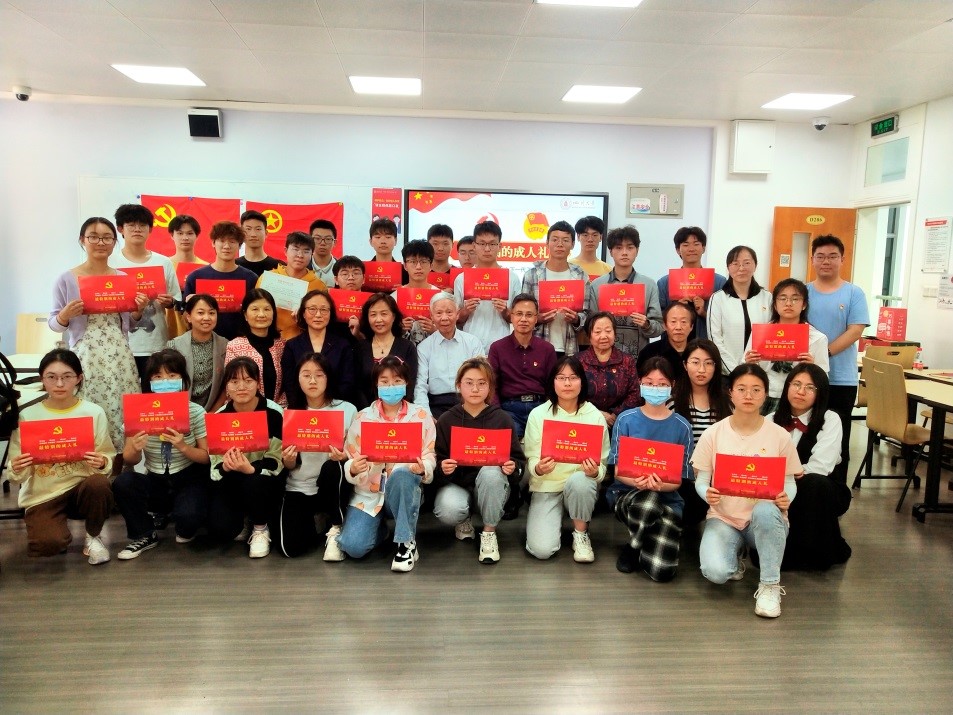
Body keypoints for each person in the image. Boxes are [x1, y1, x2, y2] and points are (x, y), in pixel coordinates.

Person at [692, 364, 802, 618]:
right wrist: (706, 492)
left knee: (765, 510)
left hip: (764, 521)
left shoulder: (779, 435)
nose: (748, 395)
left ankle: (770, 586)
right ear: (730, 392)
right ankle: (736, 556)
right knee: (715, 572)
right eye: (741, 389)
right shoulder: (713, 434)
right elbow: (702, 480)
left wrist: (787, 497)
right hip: (724, 517)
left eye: (756, 389)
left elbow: (790, 482)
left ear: (766, 394)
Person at [7, 349, 116, 565]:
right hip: (43, 494)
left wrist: (102, 462)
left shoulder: (94, 412)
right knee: (49, 545)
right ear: (42, 379)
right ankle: (56, 529)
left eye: (67, 376)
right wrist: (17, 466)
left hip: (80, 488)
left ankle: (93, 536)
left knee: (99, 484)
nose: (59, 384)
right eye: (51, 377)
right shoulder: (28, 416)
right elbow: (16, 473)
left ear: (79, 378)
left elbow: (107, 455)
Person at [50, 217, 147, 452]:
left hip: (119, 355)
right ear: (82, 240)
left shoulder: (123, 278)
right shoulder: (67, 278)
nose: (100, 243)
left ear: (114, 242)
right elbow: (54, 324)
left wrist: (138, 311)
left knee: (121, 408)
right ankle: (91, 461)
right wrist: (64, 315)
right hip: (86, 354)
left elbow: (130, 324)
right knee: (89, 406)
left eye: (106, 238)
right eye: (93, 237)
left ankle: (123, 463)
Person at [338, 356, 437, 572]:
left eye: (397, 381)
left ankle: (406, 542)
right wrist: (353, 468)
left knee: (402, 476)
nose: (391, 386)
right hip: (368, 495)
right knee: (353, 547)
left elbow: (429, 454)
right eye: (384, 381)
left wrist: (423, 468)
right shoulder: (363, 417)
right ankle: (381, 530)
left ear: (406, 382)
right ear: (376, 384)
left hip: (403, 493)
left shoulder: (421, 416)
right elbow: (351, 455)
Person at [113, 349, 211, 559]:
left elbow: (206, 457)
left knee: (187, 525)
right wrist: (135, 448)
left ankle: (179, 515)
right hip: (155, 478)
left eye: (172, 375)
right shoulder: (138, 411)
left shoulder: (195, 411)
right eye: (158, 376)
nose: (165, 381)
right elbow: (130, 459)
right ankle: (144, 534)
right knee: (123, 482)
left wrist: (183, 446)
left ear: (183, 380)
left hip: (188, 478)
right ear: (149, 382)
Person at [607, 356, 694, 581]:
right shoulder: (625, 419)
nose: (655, 388)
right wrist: (637, 482)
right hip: (629, 495)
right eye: (649, 383)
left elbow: (678, 480)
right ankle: (635, 545)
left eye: (662, 384)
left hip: (667, 499)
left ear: (672, 385)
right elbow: (617, 471)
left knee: (662, 572)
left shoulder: (683, 426)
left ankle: (643, 539)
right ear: (640, 383)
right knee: (648, 501)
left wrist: (660, 486)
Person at [434, 357, 525, 563]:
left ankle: (489, 532)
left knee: (491, 472)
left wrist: (513, 467)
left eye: (482, 383)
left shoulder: (502, 418)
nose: (475, 389)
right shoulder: (447, 419)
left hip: (492, 486)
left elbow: (518, 461)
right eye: (469, 383)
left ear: (490, 387)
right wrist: (442, 468)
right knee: (448, 509)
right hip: (459, 486)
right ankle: (463, 518)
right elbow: (437, 461)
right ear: (459, 385)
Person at [523, 357, 610, 562]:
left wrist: (595, 472)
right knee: (541, 550)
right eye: (561, 378)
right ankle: (553, 517)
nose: (567, 383)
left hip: (580, 486)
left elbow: (603, 465)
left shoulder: (595, 416)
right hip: (547, 486)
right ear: (553, 382)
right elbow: (531, 457)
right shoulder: (538, 414)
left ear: (582, 382)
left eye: (573, 377)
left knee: (581, 481)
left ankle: (580, 533)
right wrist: (539, 468)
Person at [772, 364, 852, 571]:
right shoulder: (770, 420)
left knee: (813, 482)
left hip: (822, 489)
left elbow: (820, 466)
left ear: (820, 393)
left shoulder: (830, 419)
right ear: (787, 386)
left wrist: (784, 476)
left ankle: (814, 552)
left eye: (810, 387)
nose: (801, 391)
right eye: (796, 384)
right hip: (778, 487)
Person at [278, 352, 358, 559]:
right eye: (306, 375)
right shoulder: (289, 413)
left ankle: (336, 525)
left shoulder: (347, 409)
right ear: (297, 379)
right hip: (300, 486)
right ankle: (318, 520)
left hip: (333, 486)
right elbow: (288, 465)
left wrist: (343, 456)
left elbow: (356, 456)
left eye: (319, 375)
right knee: (290, 549)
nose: (312, 381)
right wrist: (288, 460)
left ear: (328, 377)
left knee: (333, 467)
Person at [807, 234, 869, 485]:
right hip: (808, 379)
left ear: (842, 259)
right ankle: (810, 491)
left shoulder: (854, 293)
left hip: (841, 379)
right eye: (820, 256)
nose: (826, 261)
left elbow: (855, 331)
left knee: (839, 441)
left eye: (832, 256)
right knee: (809, 437)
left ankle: (837, 496)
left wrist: (824, 353)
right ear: (812, 259)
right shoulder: (803, 292)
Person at [208, 357, 285, 558]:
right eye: (234, 381)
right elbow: (215, 466)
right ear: (226, 387)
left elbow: (277, 460)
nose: (241, 387)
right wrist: (226, 467)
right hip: (232, 479)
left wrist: (252, 469)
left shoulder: (274, 413)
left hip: (264, 480)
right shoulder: (219, 417)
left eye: (248, 380)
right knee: (221, 530)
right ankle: (244, 518)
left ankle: (260, 528)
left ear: (258, 383)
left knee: (255, 482)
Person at [112, 203, 181, 391]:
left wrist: (170, 302)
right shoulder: (111, 262)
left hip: (156, 343)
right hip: (122, 344)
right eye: (131, 225)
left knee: (157, 395)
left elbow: (176, 300)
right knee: (127, 396)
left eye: (142, 225)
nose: (137, 229)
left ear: (150, 230)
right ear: (120, 229)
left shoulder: (163, 262)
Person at [743, 278, 829, 415]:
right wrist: (749, 363)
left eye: (795, 299)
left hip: (797, 400)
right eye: (782, 298)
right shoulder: (760, 334)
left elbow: (824, 378)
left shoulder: (817, 338)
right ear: (775, 305)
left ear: (804, 305)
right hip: (764, 395)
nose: (788, 303)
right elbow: (744, 367)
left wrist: (813, 368)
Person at [672, 339, 732, 527]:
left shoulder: (728, 404)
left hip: (718, 479)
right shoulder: (672, 403)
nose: (701, 369)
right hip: (682, 480)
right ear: (685, 365)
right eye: (695, 362)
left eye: (708, 363)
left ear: (716, 367)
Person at [587, 225, 663, 361]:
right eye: (618, 248)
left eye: (630, 247)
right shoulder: (597, 285)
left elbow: (659, 327)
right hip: (603, 358)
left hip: (639, 359)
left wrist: (646, 324)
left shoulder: (649, 285)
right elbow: (589, 325)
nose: (624, 253)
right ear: (610, 252)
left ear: (637, 251)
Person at [487, 294, 557, 440]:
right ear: (511, 316)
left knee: (545, 445)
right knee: (509, 447)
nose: (523, 319)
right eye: (519, 314)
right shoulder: (497, 348)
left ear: (536, 319)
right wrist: (497, 413)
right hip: (509, 408)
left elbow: (552, 386)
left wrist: (550, 411)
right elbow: (492, 385)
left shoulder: (547, 349)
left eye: (529, 315)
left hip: (540, 407)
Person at [520, 220, 592, 357]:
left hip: (569, 346)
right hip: (537, 345)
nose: (560, 244)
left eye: (565, 240)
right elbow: (522, 312)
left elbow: (586, 313)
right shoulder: (532, 275)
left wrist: (576, 319)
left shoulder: (581, 275)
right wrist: (537, 318)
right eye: (555, 239)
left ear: (572, 244)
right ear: (547, 243)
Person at [281, 289, 359, 409]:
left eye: (324, 310)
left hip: (335, 407)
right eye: (312, 309)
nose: (318, 315)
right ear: (303, 313)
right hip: (301, 408)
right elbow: (290, 384)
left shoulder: (343, 345)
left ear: (330, 313)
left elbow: (347, 382)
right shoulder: (292, 345)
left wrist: (326, 405)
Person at [183, 221, 259, 341]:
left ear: (239, 245)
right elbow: (186, 316)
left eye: (232, 241)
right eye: (222, 241)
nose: (227, 246)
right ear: (213, 243)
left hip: (240, 342)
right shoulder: (196, 277)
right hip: (203, 341)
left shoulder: (251, 278)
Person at [454, 220, 522, 353]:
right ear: (474, 245)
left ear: (500, 246)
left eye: (492, 244)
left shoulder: (512, 278)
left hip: (502, 345)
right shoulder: (462, 278)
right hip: (469, 345)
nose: (487, 249)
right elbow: (456, 319)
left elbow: (518, 319)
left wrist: (505, 311)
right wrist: (466, 311)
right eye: (482, 243)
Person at [414, 293, 484, 418]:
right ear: (431, 316)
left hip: (469, 402)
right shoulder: (423, 348)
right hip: (436, 406)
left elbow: (482, 378)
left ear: (457, 314)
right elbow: (420, 385)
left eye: (449, 312)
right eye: (439, 313)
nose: (444, 318)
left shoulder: (473, 342)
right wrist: (426, 416)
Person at [707, 245, 772, 374]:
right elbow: (714, 339)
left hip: (759, 373)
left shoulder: (767, 297)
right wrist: (735, 371)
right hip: (727, 373)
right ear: (728, 268)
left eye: (746, 263)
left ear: (755, 265)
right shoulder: (718, 298)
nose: (741, 268)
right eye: (735, 264)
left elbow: (770, 335)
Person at [656, 226, 727, 342]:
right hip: (673, 345)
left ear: (703, 248)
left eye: (696, 244)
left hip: (706, 344)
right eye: (685, 245)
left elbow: (725, 321)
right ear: (678, 250)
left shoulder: (719, 282)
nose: (691, 249)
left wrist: (704, 312)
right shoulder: (664, 283)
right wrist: (675, 308)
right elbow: (658, 320)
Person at [256, 231, 326, 340]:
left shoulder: (319, 286)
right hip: (267, 338)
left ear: (312, 255)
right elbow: (255, 307)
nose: (300, 255)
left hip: (301, 341)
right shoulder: (267, 278)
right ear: (285, 251)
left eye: (306, 251)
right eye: (295, 249)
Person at [578, 312, 642, 430]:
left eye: (608, 331)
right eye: (597, 332)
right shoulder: (578, 361)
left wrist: (615, 415)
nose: (604, 336)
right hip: (586, 420)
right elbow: (572, 394)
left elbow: (634, 394)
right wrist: (596, 414)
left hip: (620, 422)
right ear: (589, 335)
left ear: (615, 333)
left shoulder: (627, 361)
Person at [224, 288, 287, 407]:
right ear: (245, 314)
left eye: (267, 309)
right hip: (246, 410)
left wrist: (278, 409)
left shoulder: (282, 345)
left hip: (279, 410)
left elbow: (288, 383)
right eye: (255, 309)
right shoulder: (234, 346)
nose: (261, 314)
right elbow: (230, 386)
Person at [167, 294, 228, 411]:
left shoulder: (225, 345)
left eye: (211, 313)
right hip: (181, 410)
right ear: (189, 317)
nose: (206, 318)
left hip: (213, 411)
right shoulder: (174, 346)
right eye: (200, 313)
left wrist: (212, 413)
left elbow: (226, 385)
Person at [356, 293, 418, 408]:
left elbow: (410, 383)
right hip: (366, 411)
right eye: (373, 315)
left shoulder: (407, 347)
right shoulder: (359, 348)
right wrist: (370, 411)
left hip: (400, 411)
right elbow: (357, 387)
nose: (378, 319)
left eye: (384, 314)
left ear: (393, 317)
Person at [166, 214, 208, 339]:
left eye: (190, 233)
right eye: (180, 233)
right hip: (169, 326)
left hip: (198, 329)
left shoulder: (206, 267)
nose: (185, 238)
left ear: (197, 236)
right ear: (172, 235)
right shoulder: (164, 265)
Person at [636, 302, 695, 384]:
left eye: (683, 322)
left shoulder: (697, 352)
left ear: (691, 326)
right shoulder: (649, 352)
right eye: (673, 321)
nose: (678, 327)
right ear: (664, 325)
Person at [394, 239, 439, 345]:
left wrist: (434, 329)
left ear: (431, 265)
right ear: (405, 266)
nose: (418, 267)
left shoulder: (440, 296)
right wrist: (400, 329)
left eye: (423, 261)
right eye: (413, 261)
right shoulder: (395, 297)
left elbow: (450, 331)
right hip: (403, 351)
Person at [237, 209, 283, 276]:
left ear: (266, 233)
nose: (253, 234)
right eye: (248, 229)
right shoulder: (233, 266)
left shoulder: (279, 267)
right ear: (241, 233)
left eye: (258, 229)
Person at [331, 254, 367, 340]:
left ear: (364, 278)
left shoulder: (372, 302)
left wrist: (358, 334)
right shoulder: (328, 302)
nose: (351, 278)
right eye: (345, 274)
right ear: (336, 280)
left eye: (356, 273)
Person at [365, 217, 408, 287]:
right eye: (378, 237)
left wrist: (402, 290)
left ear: (396, 241)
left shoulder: (405, 271)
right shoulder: (364, 270)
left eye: (388, 237)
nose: (383, 241)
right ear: (371, 241)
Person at [570, 216, 611, 280]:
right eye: (585, 235)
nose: (590, 240)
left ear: (600, 237)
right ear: (578, 237)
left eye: (595, 235)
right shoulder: (568, 266)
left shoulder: (608, 270)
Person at [309, 218, 338, 287]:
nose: (322, 243)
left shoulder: (341, 268)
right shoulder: (302, 266)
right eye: (317, 238)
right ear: (310, 240)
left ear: (334, 242)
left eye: (328, 239)